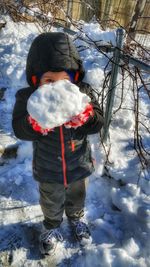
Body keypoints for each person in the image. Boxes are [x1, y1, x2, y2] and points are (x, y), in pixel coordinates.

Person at [12, 32, 104, 255]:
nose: (56, 87)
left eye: (64, 80)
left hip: (78, 164)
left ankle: (76, 218)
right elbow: (18, 128)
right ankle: (51, 226)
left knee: (77, 197)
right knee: (51, 201)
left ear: (74, 78)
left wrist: (87, 117)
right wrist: (33, 123)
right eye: (49, 81)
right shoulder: (29, 99)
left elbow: (98, 122)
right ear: (36, 80)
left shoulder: (83, 95)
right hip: (48, 166)